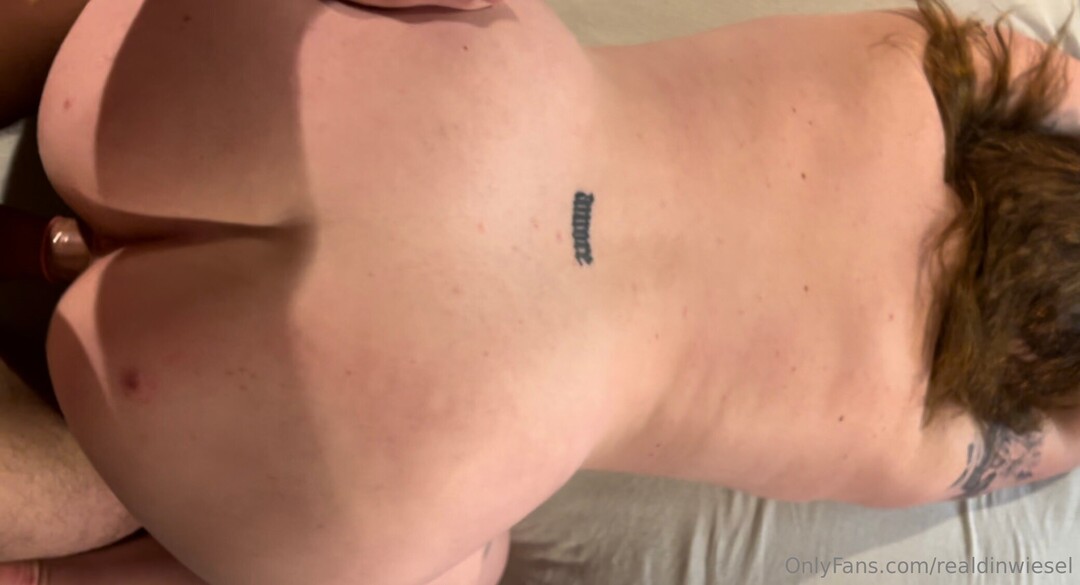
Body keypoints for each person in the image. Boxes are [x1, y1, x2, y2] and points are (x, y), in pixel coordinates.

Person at [6, 0, 1080, 583]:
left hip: (414, 103)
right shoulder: (954, 433)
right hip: (425, 428)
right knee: (462, 562)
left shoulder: (941, 66)